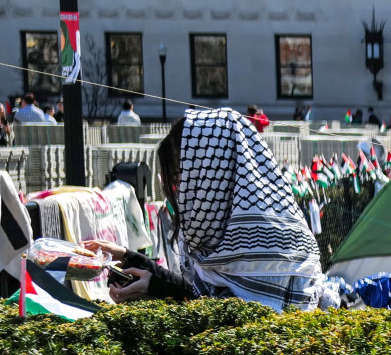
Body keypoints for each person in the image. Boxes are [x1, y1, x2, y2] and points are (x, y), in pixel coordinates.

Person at [107, 109, 337, 310]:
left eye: (180, 177)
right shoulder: (234, 228)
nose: (178, 192)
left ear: (213, 175)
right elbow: (205, 297)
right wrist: (132, 259)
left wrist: (154, 285)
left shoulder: (268, 242)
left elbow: (234, 323)